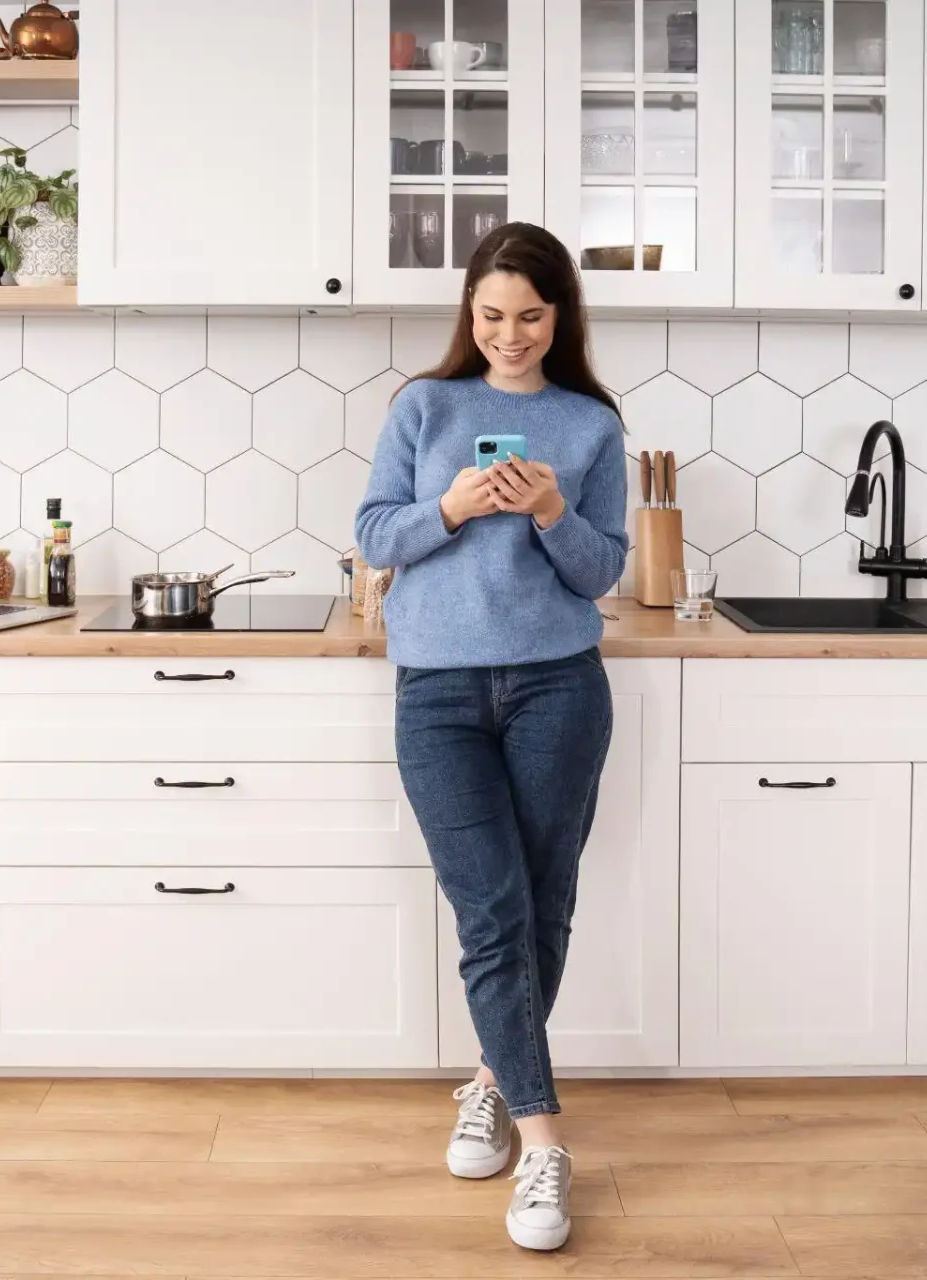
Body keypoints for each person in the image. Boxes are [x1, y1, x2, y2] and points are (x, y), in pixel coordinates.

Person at [353, 222, 627, 1252]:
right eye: (490, 315)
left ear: (561, 318)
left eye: (530, 316)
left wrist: (554, 508)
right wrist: (452, 505)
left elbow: (600, 573)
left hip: (558, 685)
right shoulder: (423, 407)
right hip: (438, 692)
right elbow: (375, 532)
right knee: (492, 906)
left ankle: (488, 1082)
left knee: (541, 901)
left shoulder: (588, 424)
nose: (509, 336)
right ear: (468, 313)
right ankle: (546, 1137)